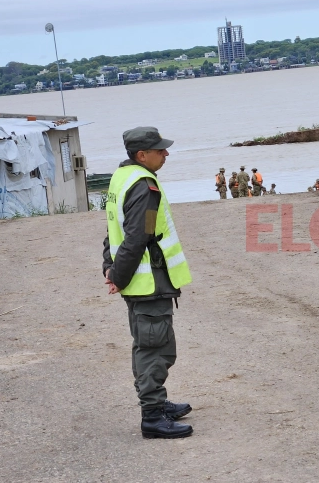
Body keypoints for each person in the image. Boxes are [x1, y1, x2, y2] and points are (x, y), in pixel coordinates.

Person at [102, 126, 194, 439]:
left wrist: (111, 268)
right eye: (160, 150)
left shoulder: (121, 177)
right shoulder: (144, 186)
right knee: (155, 349)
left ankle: (158, 402)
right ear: (142, 155)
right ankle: (153, 416)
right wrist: (118, 275)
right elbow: (138, 236)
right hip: (147, 283)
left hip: (140, 282)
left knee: (152, 345)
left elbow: (114, 227)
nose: (165, 154)